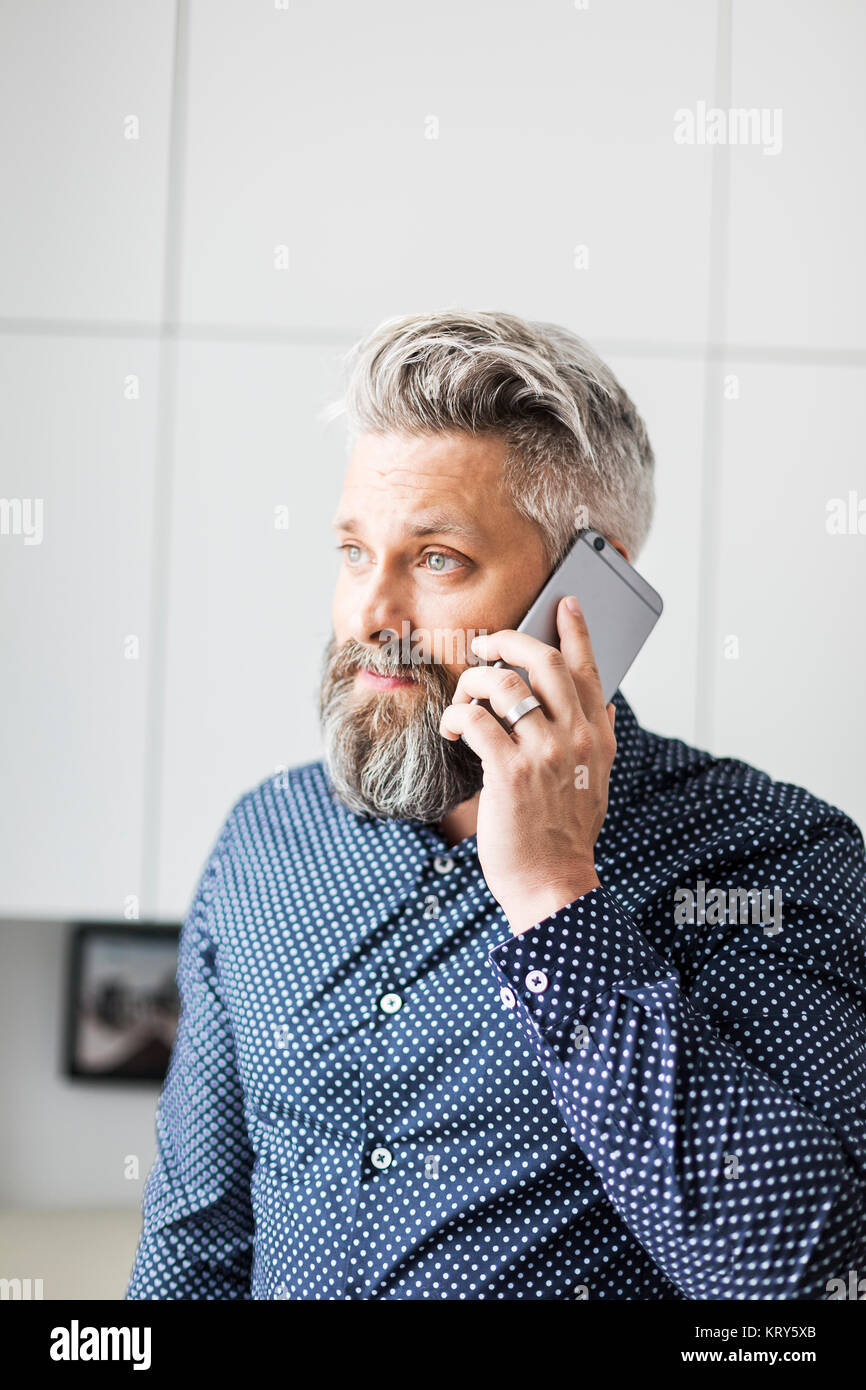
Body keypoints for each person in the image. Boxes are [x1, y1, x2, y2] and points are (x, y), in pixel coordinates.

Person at [126, 309, 866, 1301]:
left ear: (584, 593)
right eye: (353, 550)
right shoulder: (267, 839)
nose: (368, 614)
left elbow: (789, 1273)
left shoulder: (764, 860)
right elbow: (193, 1244)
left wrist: (556, 897)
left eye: (435, 559)